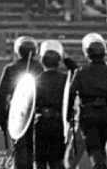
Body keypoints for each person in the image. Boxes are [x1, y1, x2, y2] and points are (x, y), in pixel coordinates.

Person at [67, 33, 107, 169]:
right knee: (100, 145)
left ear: (87, 54)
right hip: (106, 114)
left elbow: (71, 94)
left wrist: (68, 115)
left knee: (94, 148)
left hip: (88, 114)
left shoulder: (81, 72)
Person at [0, 36, 42, 168]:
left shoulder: (11, 68)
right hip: (37, 113)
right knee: (32, 147)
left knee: (20, 146)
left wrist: (1, 118)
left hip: (17, 113)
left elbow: (0, 96)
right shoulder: (40, 68)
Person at [34, 41, 70, 169]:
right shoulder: (66, 79)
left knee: (40, 161)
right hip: (59, 124)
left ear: (42, 61)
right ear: (59, 61)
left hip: (40, 123)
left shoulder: (35, 80)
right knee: (57, 161)